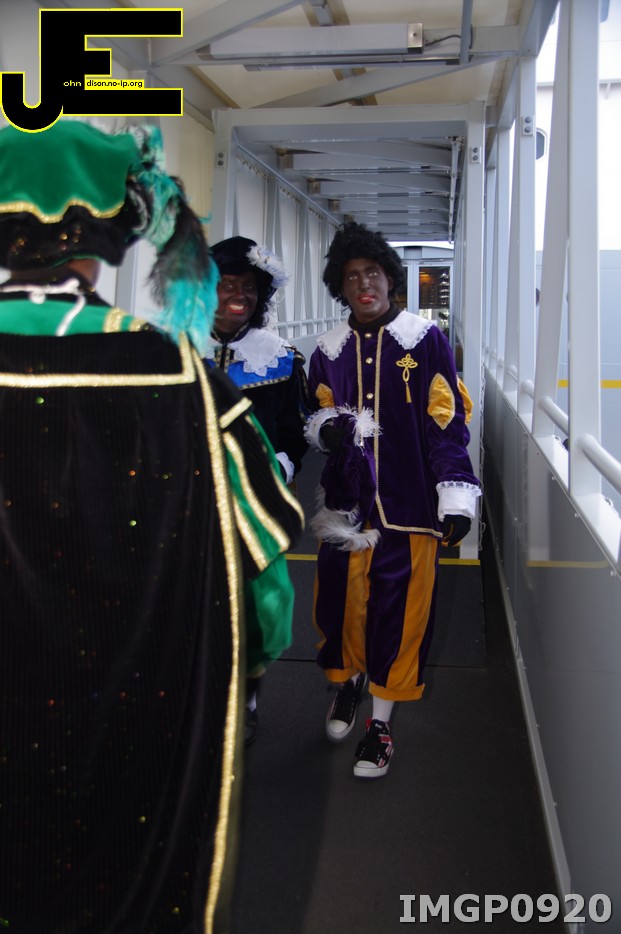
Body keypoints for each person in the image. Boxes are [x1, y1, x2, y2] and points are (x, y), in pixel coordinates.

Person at [0, 119, 303, 933]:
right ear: (111, 238)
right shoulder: (182, 378)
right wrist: (248, 668)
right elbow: (262, 575)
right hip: (134, 715)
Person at [304, 221, 481, 779]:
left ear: (390, 279)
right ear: (340, 287)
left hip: (410, 506)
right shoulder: (326, 350)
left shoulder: (424, 341)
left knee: (399, 616)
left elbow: (445, 420)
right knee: (341, 607)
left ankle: (380, 724)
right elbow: (318, 411)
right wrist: (327, 429)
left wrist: (456, 494)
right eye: (352, 276)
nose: (364, 284)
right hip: (347, 506)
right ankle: (349, 684)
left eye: (373, 273)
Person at [206, 236, 311, 745]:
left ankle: (247, 700)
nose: (238, 295)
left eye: (248, 286)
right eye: (227, 284)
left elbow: (295, 432)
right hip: (190, 501)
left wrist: (279, 469)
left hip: (254, 503)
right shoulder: (174, 350)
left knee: (258, 603)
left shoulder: (281, 360)